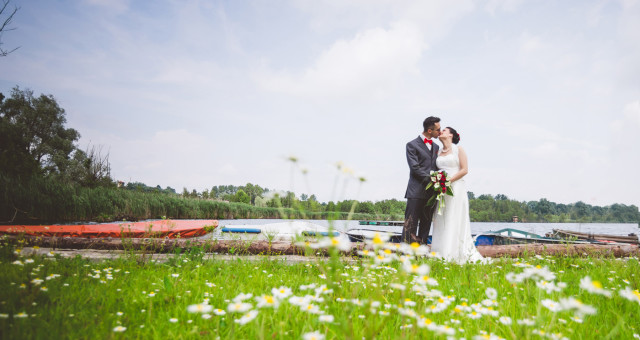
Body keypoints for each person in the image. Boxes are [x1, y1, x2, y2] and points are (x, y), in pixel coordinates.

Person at [430, 127, 486, 263]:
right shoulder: (438, 152)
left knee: (454, 217)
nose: (440, 131)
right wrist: (438, 182)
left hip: (456, 188)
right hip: (442, 190)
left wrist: (448, 181)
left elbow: (464, 169)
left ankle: (454, 253)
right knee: (441, 218)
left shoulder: (458, 149)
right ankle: (440, 253)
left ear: (451, 135)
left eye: (444, 130)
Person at [403, 116, 441, 244]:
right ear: (429, 131)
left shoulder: (436, 147)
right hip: (416, 191)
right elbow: (415, 168)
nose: (440, 132)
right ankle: (405, 253)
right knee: (410, 224)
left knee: (426, 224)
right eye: (438, 130)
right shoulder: (412, 145)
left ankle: (422, 251)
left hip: (431, 194)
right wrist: (432, 181)